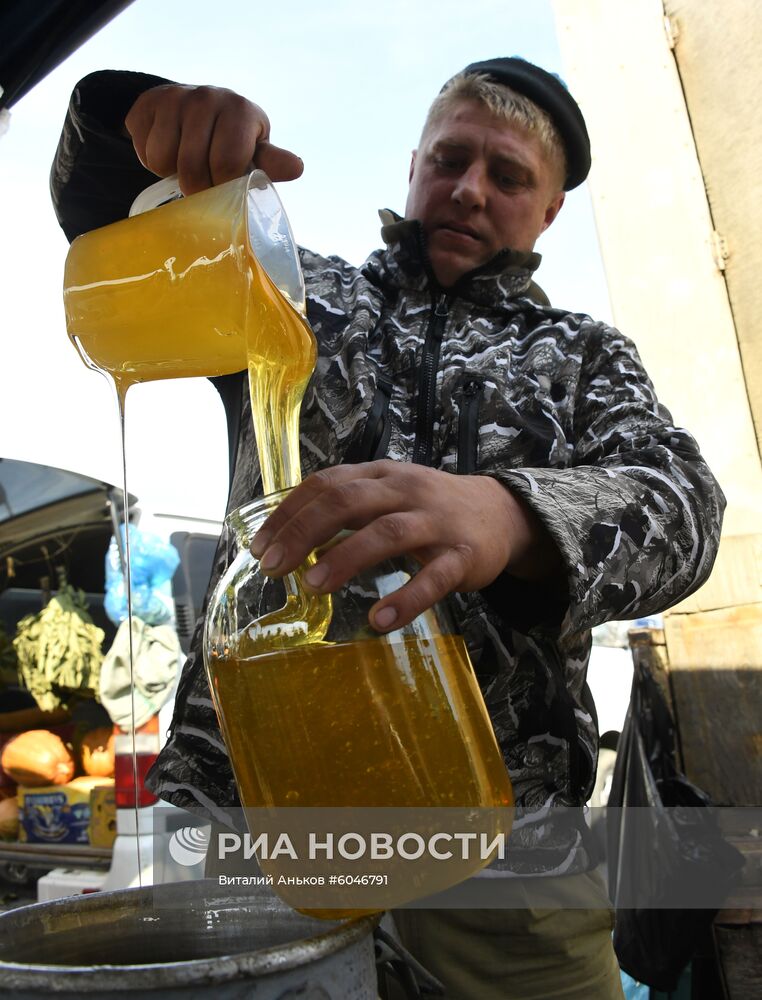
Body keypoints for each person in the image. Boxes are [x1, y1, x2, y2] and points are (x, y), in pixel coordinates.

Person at [50, 58, 724, 999]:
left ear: (551, 210)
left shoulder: (582, 357)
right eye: (450, 158)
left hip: (506, 868)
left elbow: (685, 501)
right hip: (244, 835)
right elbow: (110, 219)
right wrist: (134, 119)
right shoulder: (295, 295)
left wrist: (510, 512)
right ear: (413, 164)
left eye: (510, 175)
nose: (470, 188)